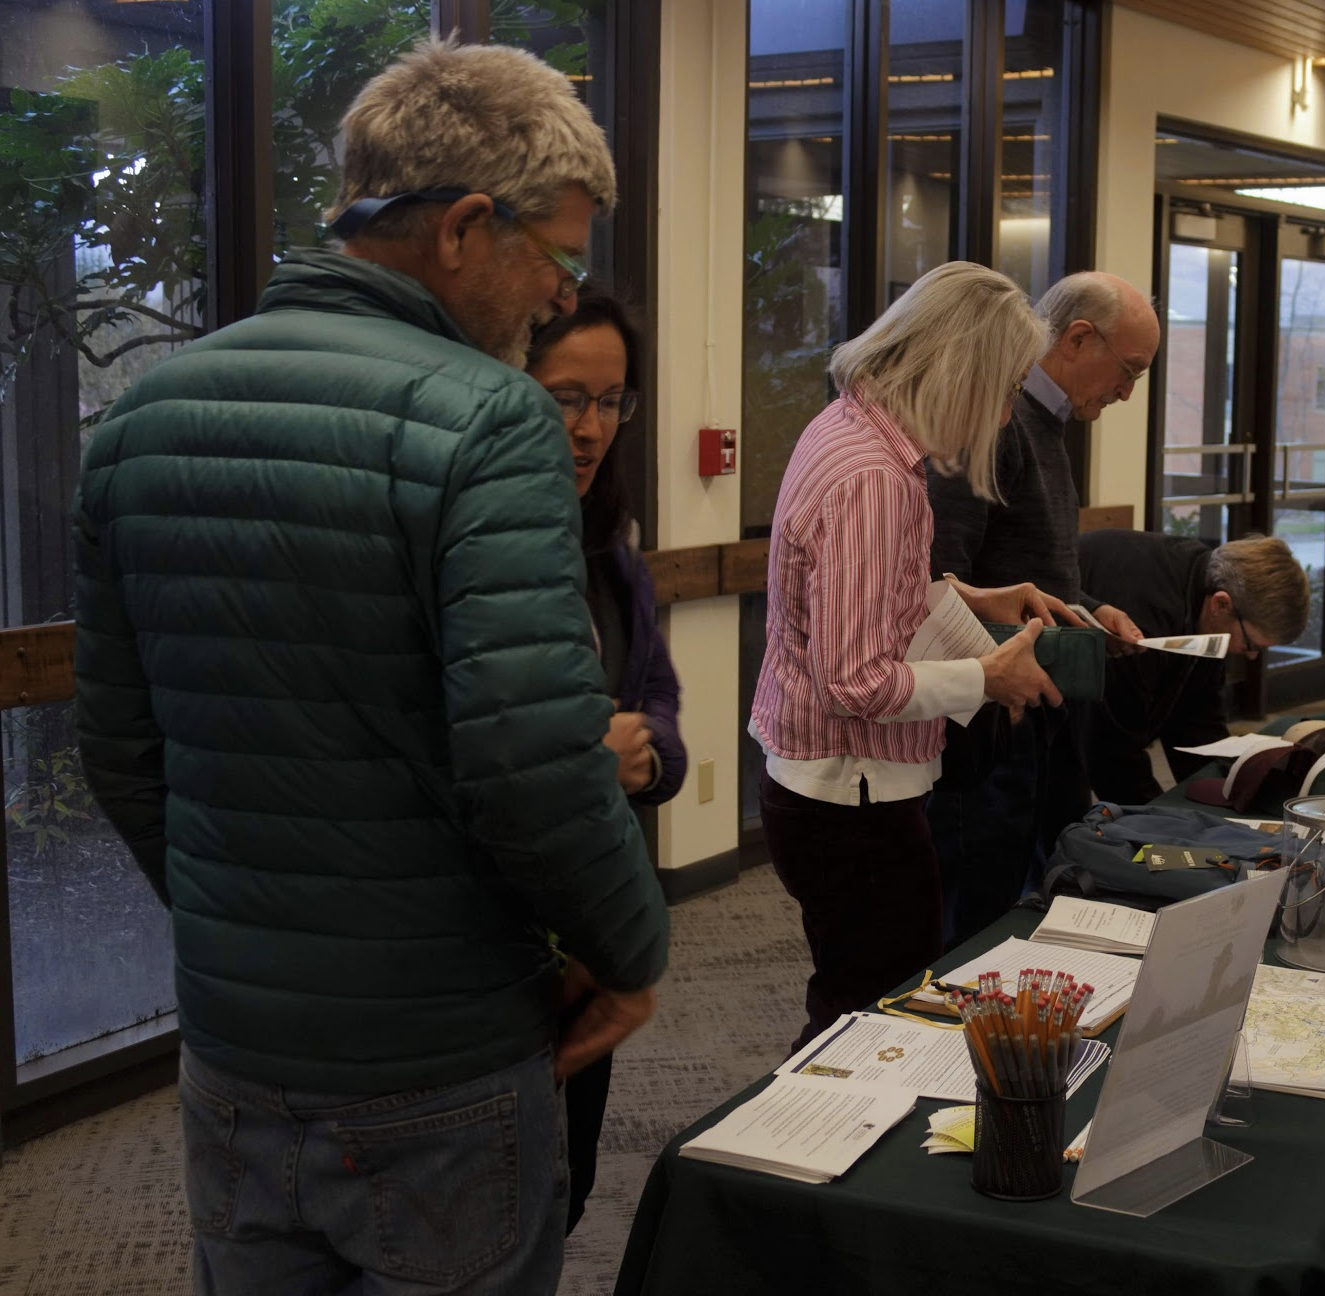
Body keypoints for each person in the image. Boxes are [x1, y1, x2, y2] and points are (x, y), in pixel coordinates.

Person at [70, 41, 667, 1293]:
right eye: (554, 260)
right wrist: (630, 953)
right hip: (436, 1066)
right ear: (461, 228)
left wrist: (257, 942)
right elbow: (529, 762)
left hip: (233, 1055)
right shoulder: (490, 418)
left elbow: (124, 756)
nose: (559, 300)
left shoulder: (140, 418)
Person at [751, 261, 1067, 1050]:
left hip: (829, 790)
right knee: (868, 1016)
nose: (1000, 419)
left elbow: (865, 599)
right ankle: (801, 1160)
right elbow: (853, 679)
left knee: (858, 1000)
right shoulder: (874, 477)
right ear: (957, 369)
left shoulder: (855, 429)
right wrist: (985, 675)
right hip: (847, 796)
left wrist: (968, 597)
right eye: (999, 392)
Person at [925, 271, 1158, 946]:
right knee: (976, 922)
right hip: (987, 732)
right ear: (1080, 339)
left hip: (1040, 720)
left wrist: (1093, 611)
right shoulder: (993, 422)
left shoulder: (1048, 426)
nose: (1126, 392)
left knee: (1045, 907)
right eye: (1129, 370)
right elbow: (942, 586)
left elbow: (1033, 576)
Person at [525, 289, 685, 1235]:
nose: (589, 429)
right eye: (563, 399)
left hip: (595, 927)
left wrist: (646, 756)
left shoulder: (611, 557)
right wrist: (590, 756)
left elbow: (660, 711)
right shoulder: (472, 547)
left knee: (567, 1189)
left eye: (610, 402)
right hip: (507, 944)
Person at [1076, 530, 1311, 804]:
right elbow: (1112, 752)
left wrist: (1227, 796)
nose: (1250, 657)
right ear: (1221, 603)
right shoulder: (1145, 621)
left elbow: (1197, 723)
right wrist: (1159, 825)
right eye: (1252, 644)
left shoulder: (1204, 585)